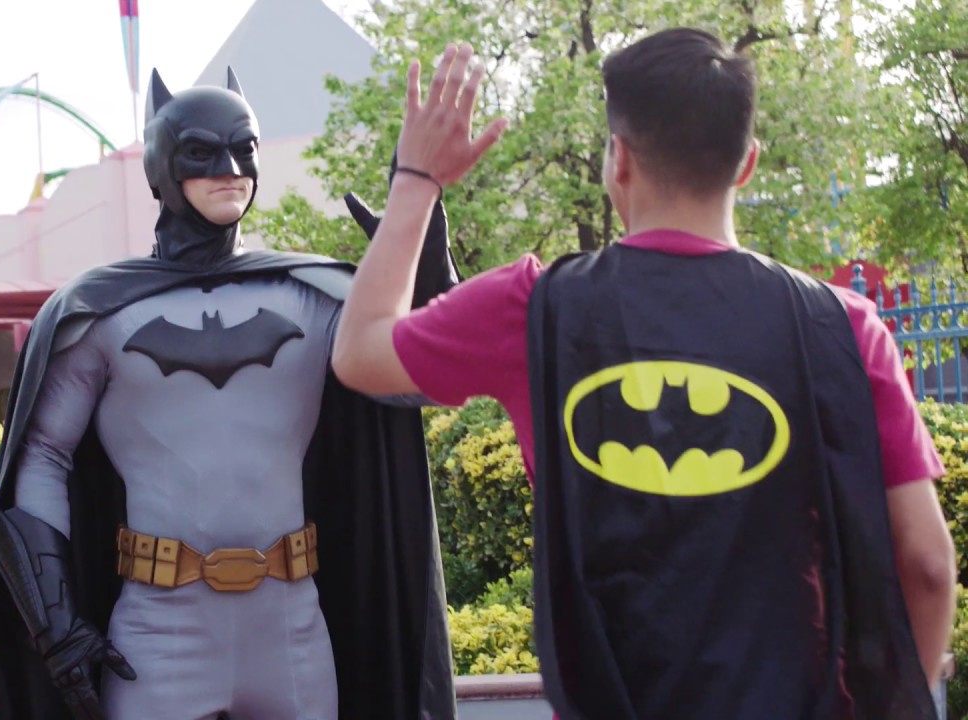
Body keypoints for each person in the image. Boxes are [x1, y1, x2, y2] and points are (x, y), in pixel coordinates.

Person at [331, 31, 956, 719]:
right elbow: (926, 566)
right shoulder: (842, 327)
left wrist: (417, 180)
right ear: (746, 165)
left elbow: (358, 352)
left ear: (617, 160)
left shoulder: (535, 309)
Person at [0, 66, 460, 720]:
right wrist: (55, 621)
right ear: (160, 168)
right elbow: (40, 460)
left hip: (291, 622)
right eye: (202, 153)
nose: (229, 169)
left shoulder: (311, 295)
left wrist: (421, 247)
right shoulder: (99, 309)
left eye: (245, 149)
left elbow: (427, 378)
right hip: (159, 629)